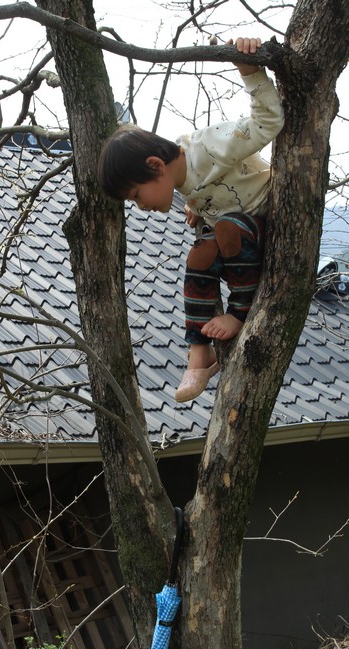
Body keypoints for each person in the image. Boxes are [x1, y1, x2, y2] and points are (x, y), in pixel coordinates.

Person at [97, 37, 284, 402]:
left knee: (225, 229)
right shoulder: (182, 179)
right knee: (198, 256)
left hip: (265, 219)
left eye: (136, 195)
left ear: (155, 166)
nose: (140, 206)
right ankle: (200, 352)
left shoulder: (208, 147)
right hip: (238, 232)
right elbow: (209, 188)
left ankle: (239, 313)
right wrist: (198, 206)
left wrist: (250, 70)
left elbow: (266, 123)